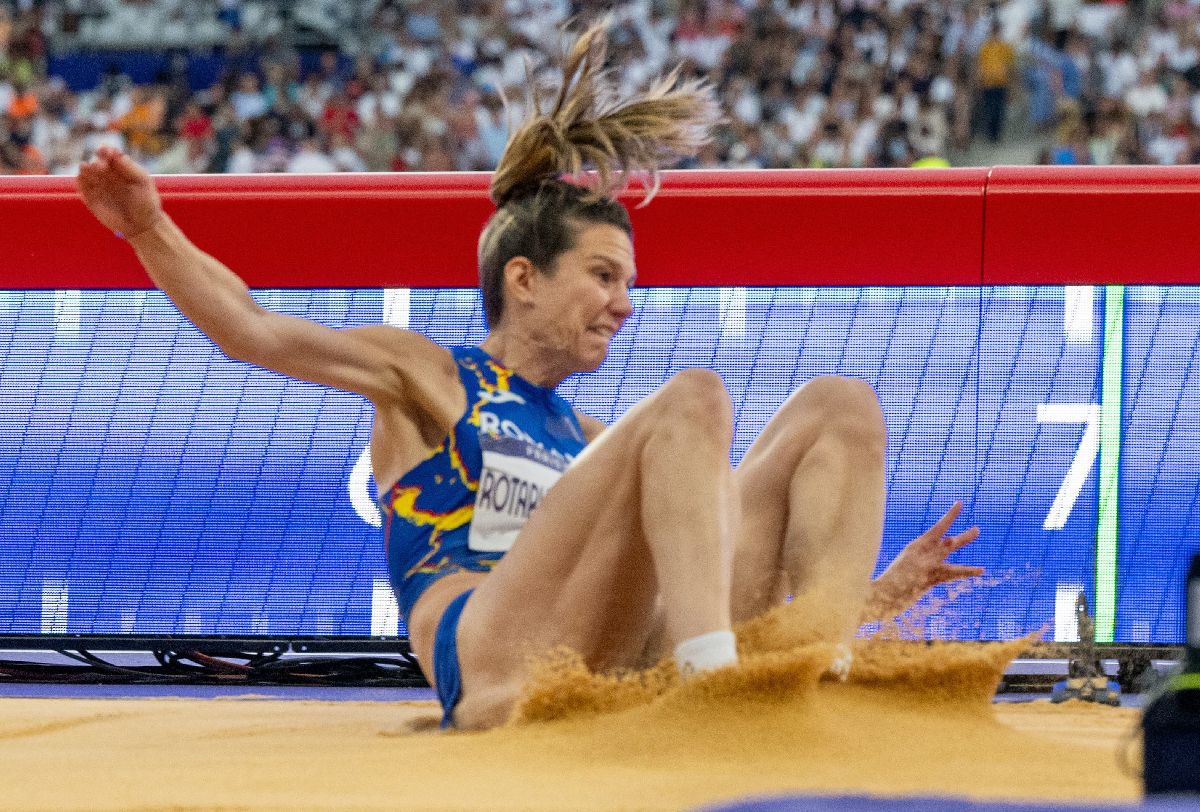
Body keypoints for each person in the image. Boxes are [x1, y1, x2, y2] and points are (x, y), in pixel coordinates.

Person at [77, 23, 981, 731]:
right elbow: (249, 331)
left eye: (629, 283)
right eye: (603, 276)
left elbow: (690, 586)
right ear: (524, 278)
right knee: (696, 397)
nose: (625, 304)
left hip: (601, 664)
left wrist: (879, 594)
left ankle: (813, 669)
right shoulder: (424, 376)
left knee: (840, 406)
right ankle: (719, 703)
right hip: (496, 667)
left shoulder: (591, 443)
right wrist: (147, 230)